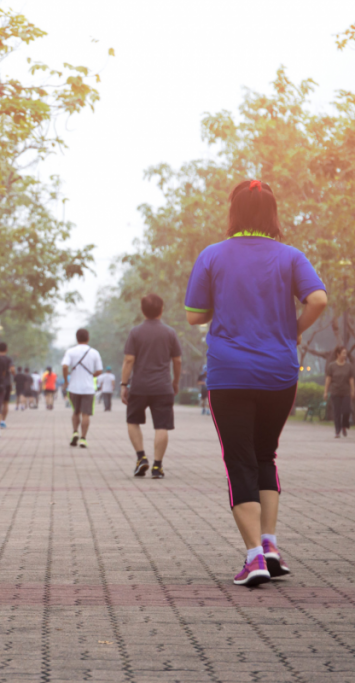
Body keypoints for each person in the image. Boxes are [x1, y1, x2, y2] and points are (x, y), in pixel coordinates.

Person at [186, 179, 327, 586]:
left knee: (239, 460)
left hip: (230, 374)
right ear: (272, 214)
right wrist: (292, 331)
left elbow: (195, 314)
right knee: (266, 454)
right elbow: (317, 299)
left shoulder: (213, 255)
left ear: (234, 213)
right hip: (279, 372)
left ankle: (253, 559)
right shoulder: (290, 256)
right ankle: (270, 545)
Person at [121, 294, 182, 479]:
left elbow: (129, 360)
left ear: (142, 310)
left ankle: (141, 458)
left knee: (133, 421)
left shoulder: (135, 332)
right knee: (161, 425)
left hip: (139, 387)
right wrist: (175, 382)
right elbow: (177, 361)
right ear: (161, 309)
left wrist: (124, 384)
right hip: (163, 387)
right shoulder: (170, 333)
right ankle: (157, 466)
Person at [62, 329, 103, 448]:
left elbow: (65, 366)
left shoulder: (70, 351)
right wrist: (91, 376)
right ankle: (83, 439)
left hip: (74, 387)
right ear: (88, 338)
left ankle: (75, 432)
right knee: (86, 414)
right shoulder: (94, 352)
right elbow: (99, 370)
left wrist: (66, 380)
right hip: (88, 388)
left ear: (76, 338)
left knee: (75, 412)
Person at [323, 346, 355, 438]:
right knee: (336, 412)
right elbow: (328, 379)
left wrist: (353, 390)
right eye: (343, 353)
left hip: (346, 392)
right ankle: (337, 430)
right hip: (335, 392)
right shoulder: (332, 366)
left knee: (346, 410)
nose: (345, 355)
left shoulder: (349, 366)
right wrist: (325, 391)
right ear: (338, 354)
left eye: (346, 353)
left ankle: (344, 425)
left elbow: (351, 380)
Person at [0, 343, 13, 427]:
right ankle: (3, 421)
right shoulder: (9, 359)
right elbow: (12, 369)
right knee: (5, 403)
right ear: (6, 349)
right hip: (7, 383)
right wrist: (12, 373)